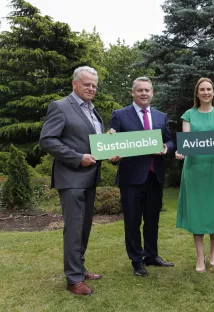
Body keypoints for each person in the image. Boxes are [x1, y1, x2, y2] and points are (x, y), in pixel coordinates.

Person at [40, 66, 103, 295]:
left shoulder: (94, 111)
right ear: (74, 83)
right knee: (74, 229)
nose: (91, 88)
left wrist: (111, 150)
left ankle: (79, 268)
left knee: (84, 228)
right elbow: (47, 140)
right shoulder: (60, 106)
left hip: (90, 179)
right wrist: (77, 158)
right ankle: (73, 280)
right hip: (71, 178)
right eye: (87, 84)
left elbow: (95, 143)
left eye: (94, 85)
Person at [109, 77, 175, 277]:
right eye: (140, 90)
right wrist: (112, 153)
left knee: (152, 220)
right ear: (133, 92)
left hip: (155, 176)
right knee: (132, 221)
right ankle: (136, 260)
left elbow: (171, 141)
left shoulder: (161, 116)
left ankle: (151, 255)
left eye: (147, 90)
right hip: (131, 179)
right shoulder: (119, 115)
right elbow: (111, 144)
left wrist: (166, 148)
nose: (144, 93)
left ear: (152, 93)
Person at [175, 78, 214, 272]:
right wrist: (181, 151)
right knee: (197, 212)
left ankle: (213, 254)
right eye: (202, 90)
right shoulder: (188, 115)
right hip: (194, 169)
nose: (206, 92)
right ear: (197, 94)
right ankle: (200, 258)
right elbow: (187, 142)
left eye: (209, 89)